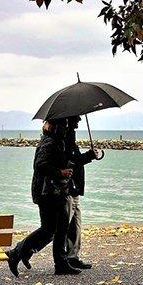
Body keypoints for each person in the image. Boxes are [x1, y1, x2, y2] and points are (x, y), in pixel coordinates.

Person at [5, 118, 81, 277]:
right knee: (48, 229)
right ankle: (17, 252)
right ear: (56, 127)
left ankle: (61, 264)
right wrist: (60, 172)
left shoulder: (57, 141)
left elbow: (69, 160)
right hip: (47, 193)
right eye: (64, 126)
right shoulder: (49, 143)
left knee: (61, 228)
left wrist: (85, 157)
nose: (66, 129)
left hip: (57, 191)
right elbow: (40, 165)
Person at [64, 115, 97, 269]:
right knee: (60, 227)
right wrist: (89, 156)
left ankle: (72, 256)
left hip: (75, 188)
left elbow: (74, 159)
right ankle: (23, 250)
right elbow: (73, 161)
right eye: (76, 118)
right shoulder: (66, 138)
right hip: (70, 187)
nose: (79, 121)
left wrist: (89, 156)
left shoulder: (69, 137)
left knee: (74, 225)